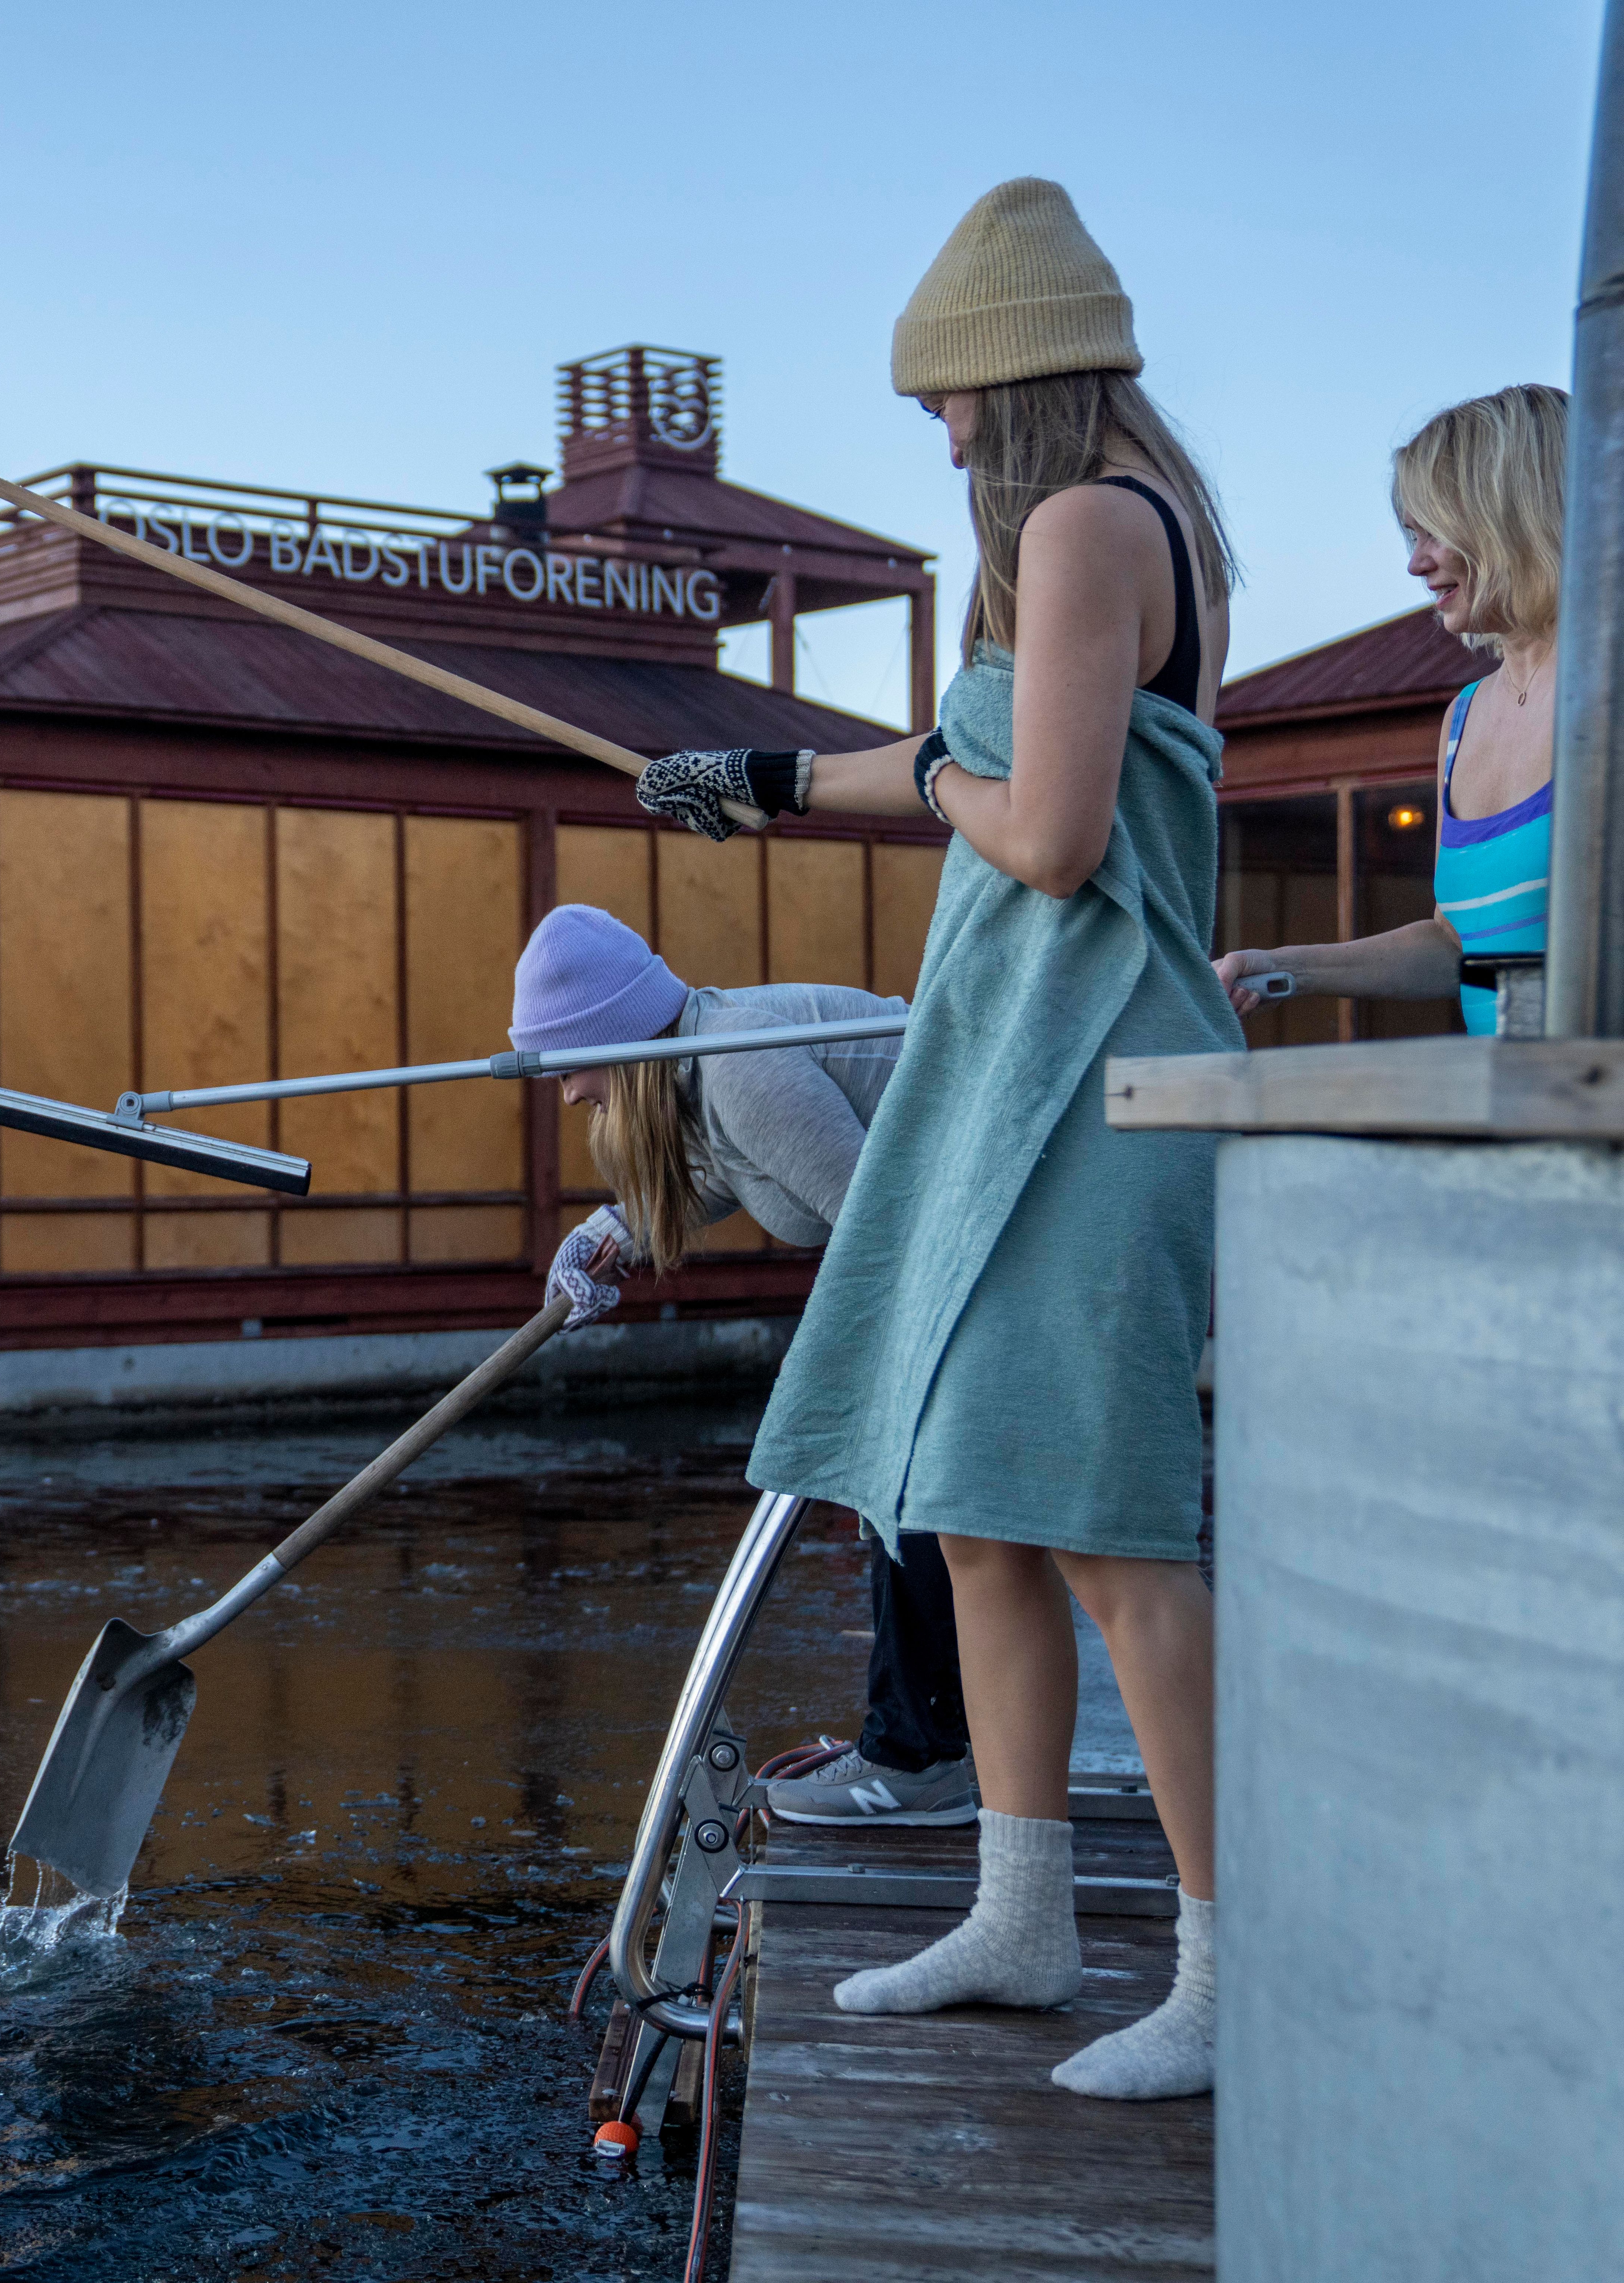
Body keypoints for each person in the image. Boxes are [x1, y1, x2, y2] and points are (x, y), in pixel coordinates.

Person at [631, 178, 1239, 2101]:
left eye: (949, 404)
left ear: (1014, 382)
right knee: (975, 1503)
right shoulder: (1123, 524)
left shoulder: (1080, 522)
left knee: (1109, 1525)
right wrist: (779, 782)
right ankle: (1026, 1909)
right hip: (1014, 1079)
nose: (945, 439)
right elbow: (974, 756)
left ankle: (1230, 1970)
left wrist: (954, 774)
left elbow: (1043, 828)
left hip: (1090, 1070)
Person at [515, 904, 978, 1826]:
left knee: (904, 1491)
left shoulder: (739, 1065)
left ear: (623, 1037)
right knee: (902, 1493)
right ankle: (920, 1745)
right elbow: (729, 1172)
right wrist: (616, 1232)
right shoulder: (707, 1065)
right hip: (948, 1250)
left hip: (987, 1242)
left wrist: (847, 1391)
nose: (567, 1095)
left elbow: (875, 1229)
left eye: (572, 1063)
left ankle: (918, 1758)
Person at [1215, 385, 1565, 1032]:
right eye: (1412, 534)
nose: (1415, 562)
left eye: (1437, 531)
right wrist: (1280, 965)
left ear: (1515, 513)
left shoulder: (1608, 692)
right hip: (1521, 1123)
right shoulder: (1463, 719)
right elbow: (1453, 947)